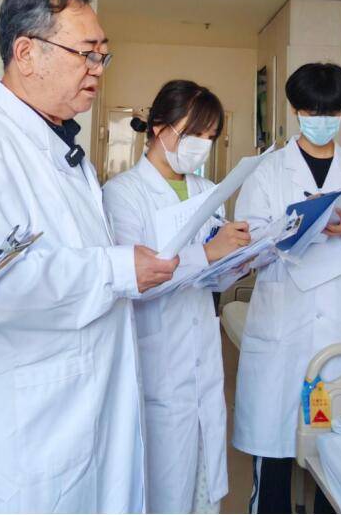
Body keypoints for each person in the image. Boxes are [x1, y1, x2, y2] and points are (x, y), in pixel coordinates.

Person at [0, 0, 179, 513]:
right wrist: (115, 270)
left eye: (103, 55)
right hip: (27, 434)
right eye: (86, 53)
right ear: (26, 54)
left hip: (73, 412)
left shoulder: (59, 146)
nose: (98, 69)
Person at [233, 63, 341, 513]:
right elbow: (245, 248)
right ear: (296, 110)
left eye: (331, 112)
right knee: (274, 455)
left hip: (339, 328)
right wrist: (293, 229)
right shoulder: (267, 172)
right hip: (282, 324)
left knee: (336, 455)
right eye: (312, 111)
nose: (321, 120)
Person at [103, 80, 251, 514]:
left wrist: (237, 260)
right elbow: (134, 280)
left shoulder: (208, 190)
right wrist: (208, 253)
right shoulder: (123, 193)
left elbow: (212, 281)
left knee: (203, 487)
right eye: (194, 134)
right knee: (162, 489)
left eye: (210, 136)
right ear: (159, 127)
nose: (202, 145)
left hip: (202, 353)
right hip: (158, 358)